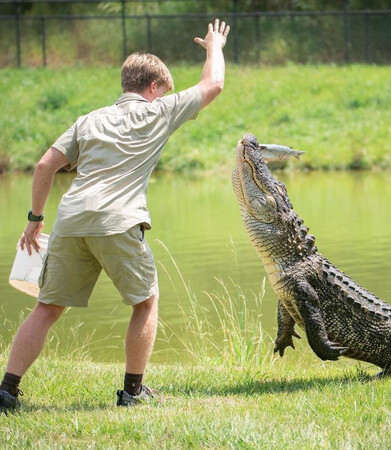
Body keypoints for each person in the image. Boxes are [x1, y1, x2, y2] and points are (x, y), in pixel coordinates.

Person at [0, 19, 230, 413]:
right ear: (153, 88)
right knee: (145, 302)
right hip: (119, 221)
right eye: (163, 93)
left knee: (47, 308)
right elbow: (213, 85)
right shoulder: (157, 113)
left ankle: (6, 392)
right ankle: (132, 392)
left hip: (70, 221)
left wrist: (35, 219)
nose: (163, 99)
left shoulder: (88, 120)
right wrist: (214, 48)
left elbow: (43, 167)